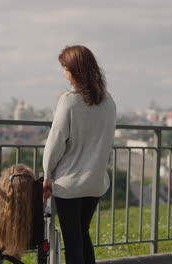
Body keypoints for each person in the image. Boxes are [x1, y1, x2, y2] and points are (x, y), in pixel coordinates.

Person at [43, 45, 116, 264]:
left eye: (64, 68)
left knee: (73, 241)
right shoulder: (109, 102)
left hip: (69, 184)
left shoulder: (69, 101)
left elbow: (55, 142)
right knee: (82, 234)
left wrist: (47, 175)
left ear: (74, 70)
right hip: (95, 182)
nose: (63, 73)